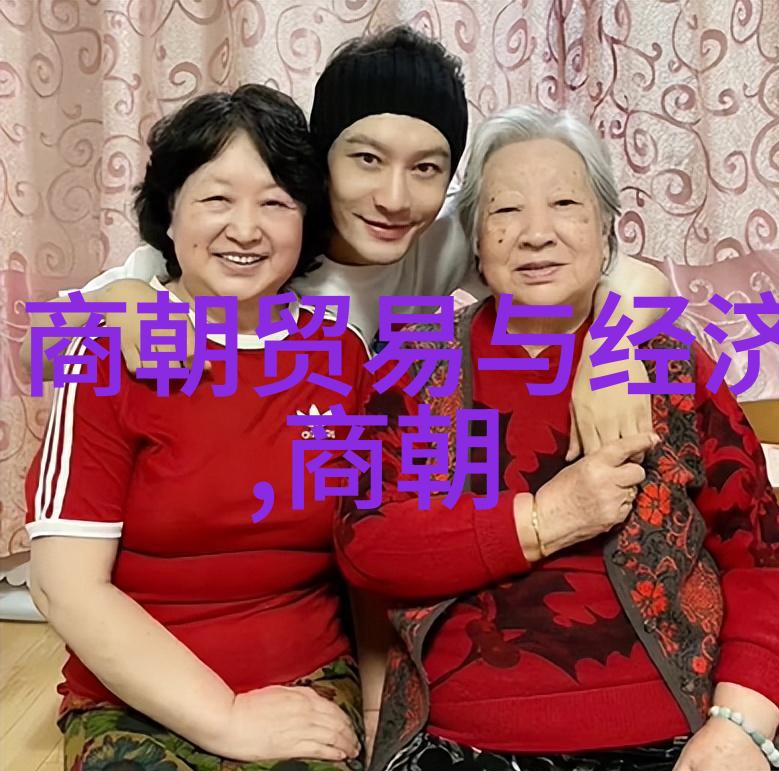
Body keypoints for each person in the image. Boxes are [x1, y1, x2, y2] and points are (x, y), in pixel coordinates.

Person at [334, 106, 779, 771]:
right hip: (464, 741)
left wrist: (740, 724)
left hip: (682, 736)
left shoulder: (670, 362)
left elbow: (763, 559)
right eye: (505, 211)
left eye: (565, 204)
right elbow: (368, 543)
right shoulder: (417, 360)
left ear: (607, 228)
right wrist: (545, 520)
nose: (536, 234)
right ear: (475, 241)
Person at [23, 26, 670, 461]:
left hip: (363, 498)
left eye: (426, 168)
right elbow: (38, 354)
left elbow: (637, 278)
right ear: (320, 158)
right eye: (366, 158)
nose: (394, 197)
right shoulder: (254, 245)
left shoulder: (444, 236)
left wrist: (609, 354)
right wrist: (129, 298)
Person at [25, 85, 369, 771]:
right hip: (135, 695)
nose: (246, 229)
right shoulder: (109, 351)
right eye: (216, 199)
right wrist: (226, 717)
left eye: (276, 202)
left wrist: (385, 707)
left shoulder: (342, 355)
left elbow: (370, 556)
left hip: (302, 680)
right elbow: (64, 585)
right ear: (171, 212)